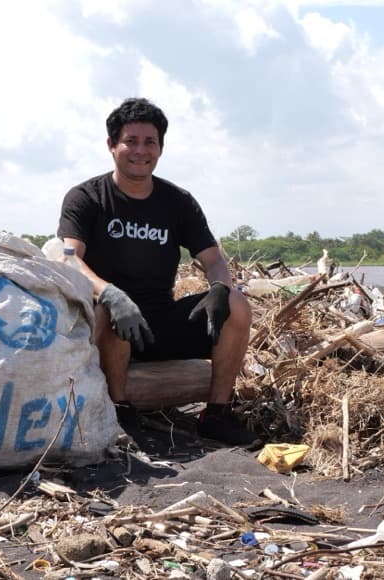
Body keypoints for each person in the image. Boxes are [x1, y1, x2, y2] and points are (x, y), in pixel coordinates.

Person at [57, 98, 258, 446]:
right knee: (110, 307)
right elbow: (69, 258)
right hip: (111, 325)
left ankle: (216, 415)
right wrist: (109, 292)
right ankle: (121, 411)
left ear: (160, 148)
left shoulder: (177, 201)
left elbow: (213, 259)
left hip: (159, 323)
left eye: (149, 142)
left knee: (237, 304)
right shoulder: (86, 197)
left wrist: (219, 289)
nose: (140, 150)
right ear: (111, 146)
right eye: (130, 141)